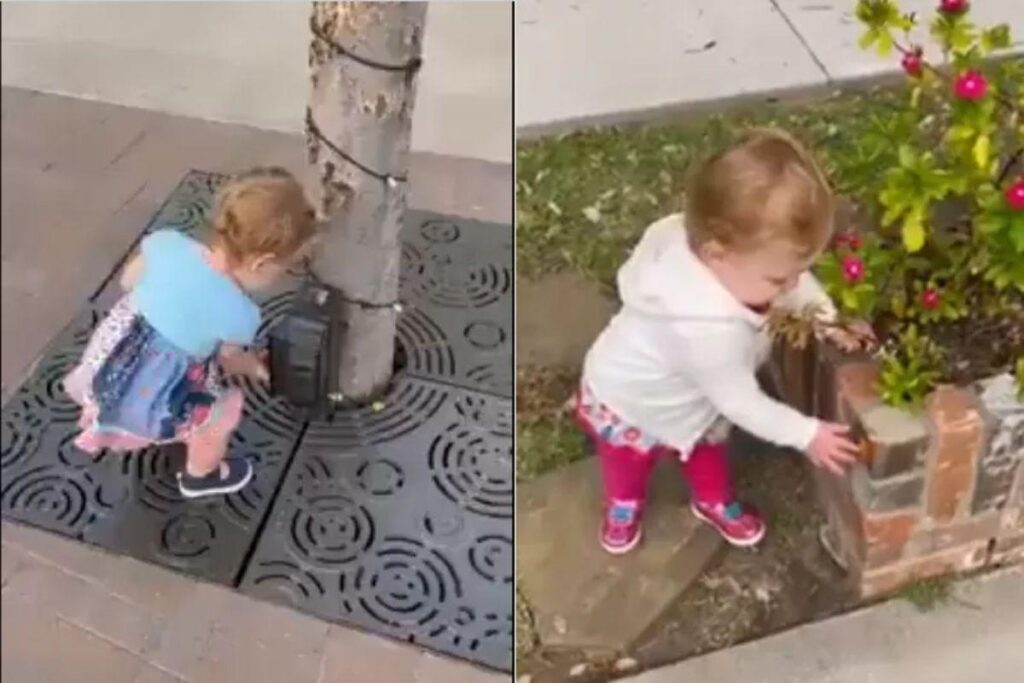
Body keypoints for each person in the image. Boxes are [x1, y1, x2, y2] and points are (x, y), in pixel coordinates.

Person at [577, 129, 872, 554]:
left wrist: (828, 322)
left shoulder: (724, 252)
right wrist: (806, 434)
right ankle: (624, 501)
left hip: (698, 400)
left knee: (706, 450)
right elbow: (739, 402)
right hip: (629, 401)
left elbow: (794, 285)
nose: (791, 285)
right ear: (717, 253)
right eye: (777, 278)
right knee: (628, 460)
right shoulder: (706, 330)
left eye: (796, 272)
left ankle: (711, 499)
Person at [64, 167, 317, 498]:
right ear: (261, 263)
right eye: (283, 269)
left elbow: (128, 280)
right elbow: (227, 359)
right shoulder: (239, 314)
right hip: (155, 391)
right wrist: (254, 367)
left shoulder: (166, 243)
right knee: (218, 416)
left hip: (107, 364)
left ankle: (108, 416)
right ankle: (202, 475)